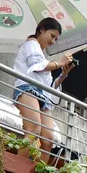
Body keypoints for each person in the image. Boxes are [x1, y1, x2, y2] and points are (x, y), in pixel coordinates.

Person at [13, 18, 76, 154]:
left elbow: (49, 86)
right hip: (27, 88)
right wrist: (59, 63)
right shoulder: (31, 44)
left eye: (56, 39)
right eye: (52, 36)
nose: (53, 41)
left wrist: (63, 74)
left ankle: (36, 172)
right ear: (41, 30)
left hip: (42, 95)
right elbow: (36, 66)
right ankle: (19, 165)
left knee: (48, 141)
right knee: (33, 129)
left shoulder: (41, 53)